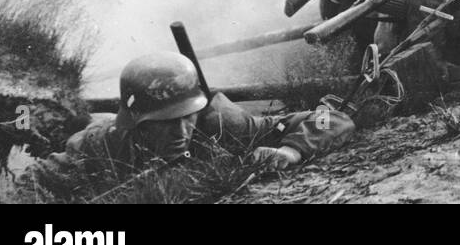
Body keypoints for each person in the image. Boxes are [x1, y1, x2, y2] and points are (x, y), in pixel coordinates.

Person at [35, 52, 354, 185]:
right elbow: (37, 180)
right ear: (135, 122)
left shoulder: (221, 124)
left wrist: (290, 150)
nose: (179, 129)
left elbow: (328, 117)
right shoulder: (102, 143)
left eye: (186, 117)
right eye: (164, 121)